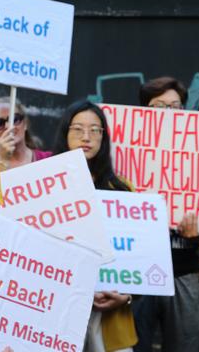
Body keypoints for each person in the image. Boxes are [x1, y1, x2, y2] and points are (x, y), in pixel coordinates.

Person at [54, 100, 137, 352]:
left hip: (112, 313)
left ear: (104, 136)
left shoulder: (123, 189)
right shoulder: (44, 185)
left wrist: (127, 295)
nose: (86, 137)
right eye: (78, 129)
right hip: (60, 310)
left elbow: (137, 255)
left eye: (95, 129)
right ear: (65, 133)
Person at [134, 76, 199, 352]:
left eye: (176, 106)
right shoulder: (126, 156)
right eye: (159, 106)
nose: (169, 114)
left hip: (183, 268)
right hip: (137, 271)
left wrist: (197, 234)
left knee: (184, 345)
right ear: (143, 112)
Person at [0, 96, 52, 170]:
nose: (8, 126)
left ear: (25, 123)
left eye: (15, 119)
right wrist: (3, 160)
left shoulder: (49, 159)